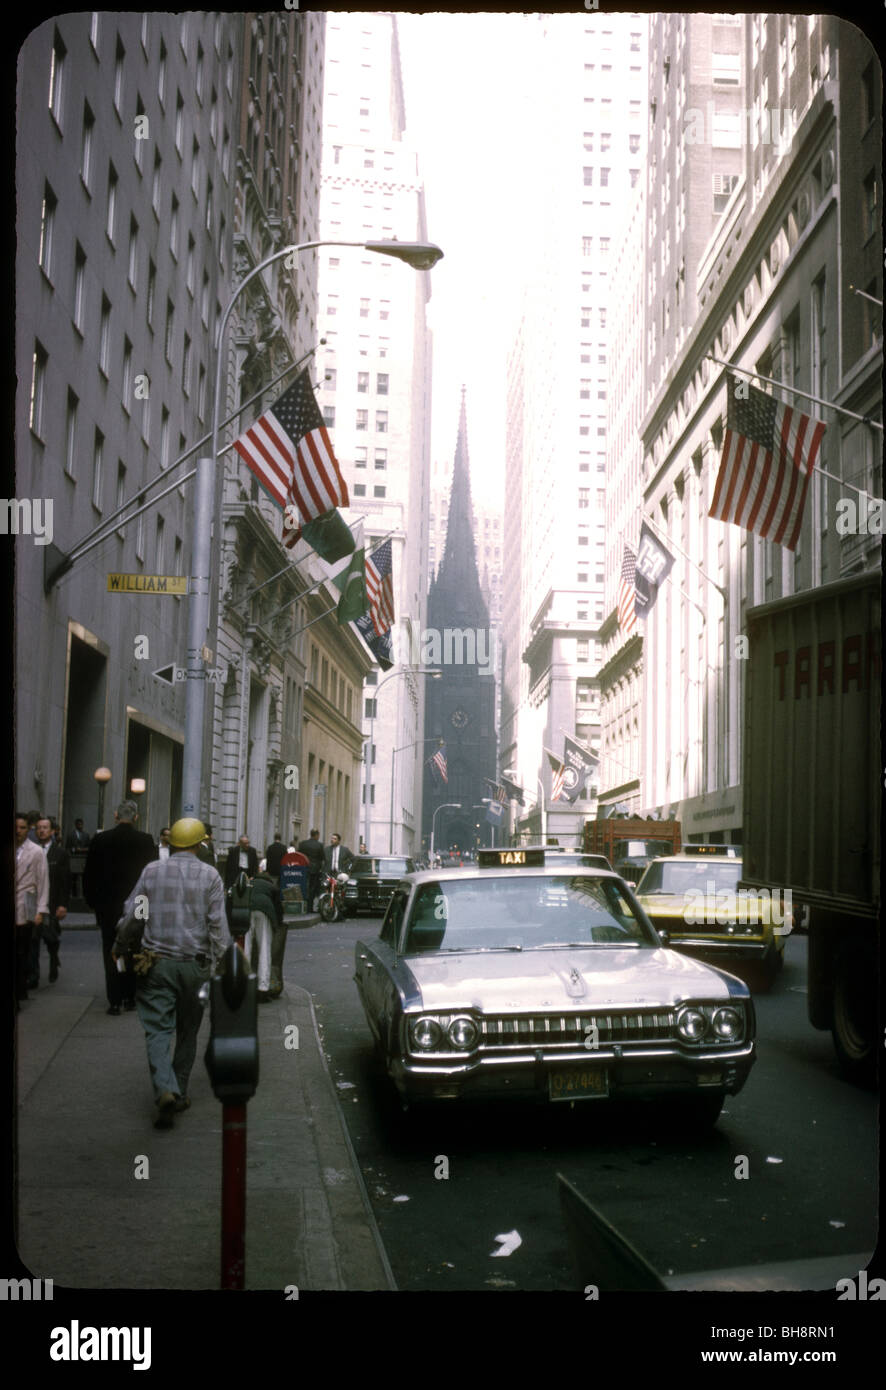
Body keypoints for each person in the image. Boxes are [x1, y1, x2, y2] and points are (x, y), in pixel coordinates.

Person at [113, 817, 231, 1129]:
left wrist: (121, 942)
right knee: (188, 1029)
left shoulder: (151, 871)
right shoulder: (211, 876)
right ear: (199, 843)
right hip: (195, 964)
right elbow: (218, 926)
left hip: (157, 963)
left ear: (170, 843)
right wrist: (222, 965)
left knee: (157, 1029)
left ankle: (165, 1088)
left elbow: (134, 916)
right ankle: (178, 1091)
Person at [83, 800, 157, 1015]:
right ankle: (130, 996)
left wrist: (93, 902)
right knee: (135, 947)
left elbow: (90, 875)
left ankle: (114, 999)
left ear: (116, 816)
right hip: (140, 904)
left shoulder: (100, 840)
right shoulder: (145, 841)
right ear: (136, 817)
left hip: (107, 905)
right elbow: (151, 876)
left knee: (110, 949)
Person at [31, 815, 71, 986]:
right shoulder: (31, 850)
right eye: (39, 828)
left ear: (52, 831)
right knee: (33, 940)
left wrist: (63, 905)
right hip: (33, 903)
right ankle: (33, 976)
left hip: (52, 903)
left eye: (45, 828)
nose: (41, 831)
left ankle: (54, 959)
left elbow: (65, 881)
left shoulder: (60, 853)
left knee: (50, 938)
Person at [14, 813, 49, 1004]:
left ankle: (20, 990)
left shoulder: (36, 851)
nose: (18, 831)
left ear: (28, 830)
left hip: (25, 904)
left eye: (22, 828)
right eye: (16, 827)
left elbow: (43, 882)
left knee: (22, 951)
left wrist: (40, 910)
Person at [245, 867, 283, 1001]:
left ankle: (245, 986)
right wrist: (278, 924)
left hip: (247, 910)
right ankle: (263, 988)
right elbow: (278, 908)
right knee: (264, 949)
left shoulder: (250, 883)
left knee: (246, 949)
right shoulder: (271, 886)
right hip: (265, 911)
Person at [297, 828, 325, 912]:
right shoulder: (319, 845)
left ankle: (303, 906)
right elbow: (322, 857)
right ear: (316, 835)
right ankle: (309, 907)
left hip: (304, 868)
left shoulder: (302, 844)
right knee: (312, 888)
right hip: (315, 869)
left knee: (304, 886)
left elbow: (299, 855)